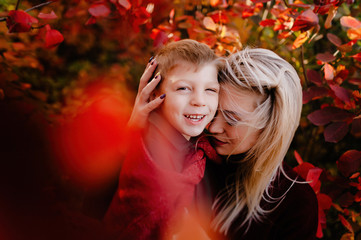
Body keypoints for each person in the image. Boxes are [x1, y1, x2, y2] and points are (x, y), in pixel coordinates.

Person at [193, 48, 318, 239]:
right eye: (213, 110)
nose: (213, 127)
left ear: (270, 128)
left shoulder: (295, 204)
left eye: (232, 119)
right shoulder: (195, 156)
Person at [103, 39, 223, 239]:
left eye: (210, 90)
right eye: (183, 88)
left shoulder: (207, 153)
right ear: (155, 92)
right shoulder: (149, 150)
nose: (199, 101)